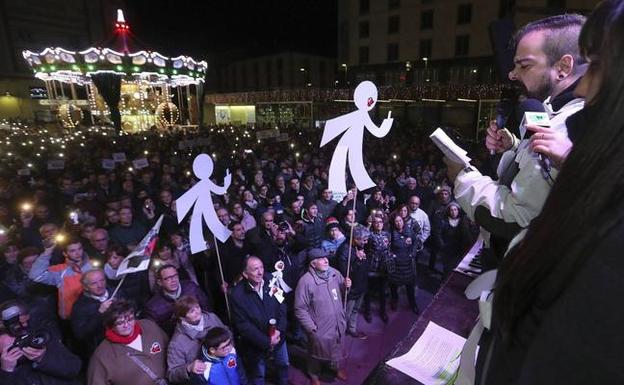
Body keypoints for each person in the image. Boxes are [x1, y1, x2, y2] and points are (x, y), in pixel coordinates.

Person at [476, 3, 624, 384]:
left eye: (600, 67)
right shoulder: (551, 118)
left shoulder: (577, 126)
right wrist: (512, 147)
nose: (586, 85)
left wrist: (463, 179)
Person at [445, 14, 587, 266]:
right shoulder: (553, 112)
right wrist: (512, 146)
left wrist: (461, 177)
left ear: (563, 68)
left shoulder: (566, 130)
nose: (512, 74)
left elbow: (515, 218)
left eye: (524, 65)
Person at [294, 248, 352, 385]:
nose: (326, 260)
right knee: (315, 353)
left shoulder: (334, 273)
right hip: (319, 328)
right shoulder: (306, 282)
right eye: (321, 259)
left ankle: (335, 369)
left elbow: (342, 293)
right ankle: (314, 375)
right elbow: (299, 308)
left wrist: (346, 286)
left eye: (326, 258)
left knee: (337, 348)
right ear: (313, 264)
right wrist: (311, 328)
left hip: (338, 323)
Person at [229, 256, 289, 385]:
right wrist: (267, 341)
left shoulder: (272, 281)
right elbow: (243, 325)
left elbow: (282, 305)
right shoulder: (237, 295)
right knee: (258, 374)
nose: (260, 272)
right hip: (255, 344)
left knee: (283, 364)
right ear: (245, 274)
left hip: (279, 337)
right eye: (255, 269)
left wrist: (280, 330)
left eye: (261, 267)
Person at [87, 300, 169, 385]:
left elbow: (171, 351)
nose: (126, 325)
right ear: (110, 326)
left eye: (130, 319)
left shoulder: (150, 327)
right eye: (120, 323)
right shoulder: (101, 356)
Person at [0, 301, 82, 385]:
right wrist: (6, 371)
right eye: (10, 347)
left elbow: (74, 367)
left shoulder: (38, 340)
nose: (18, 347)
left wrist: (43, 359)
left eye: (20, 341)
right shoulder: (5, 367)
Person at [29, 237, 93, 320]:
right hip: (72, 318)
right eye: (72, 251)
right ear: (65, 254)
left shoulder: (93, 266)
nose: (78, 253)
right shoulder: (59, 271)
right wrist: (48, 252)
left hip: (94, 313)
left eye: (79, 249)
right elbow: (35, 275)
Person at [167, 296, 226, 385]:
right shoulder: (177, 343)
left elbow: (227, 333)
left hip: (227, 367)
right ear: (182, 318)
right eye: (191, 311)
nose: (197, 312)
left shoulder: (212, 318)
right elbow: (171, 374)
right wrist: (188, 368)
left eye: (197, 307)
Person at [144, 264, 211, 335]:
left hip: (205, 329)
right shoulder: (153, 306)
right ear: (160, 282)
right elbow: (156, 332)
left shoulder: (192, 287)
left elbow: (207, 309)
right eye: (168, 278)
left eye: (175, 276)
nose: (173, 280)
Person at [71, 269, 116, 357]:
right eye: (94, 283)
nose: (100, 285)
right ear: (86, 287)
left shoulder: (116, 292)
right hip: (101, 348)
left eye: (102, 280)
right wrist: (99, 313)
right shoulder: (80, 306)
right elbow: (80, 334)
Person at [336, 226, 369, 339]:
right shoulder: (345, 250)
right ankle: (340, 334)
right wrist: (358, 260)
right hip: (351, 287)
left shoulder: (358, 247)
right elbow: (344, 272)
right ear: (355, 239)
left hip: (360, 285)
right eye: (364, 240)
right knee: (347, 313)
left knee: (356, 310)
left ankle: (352, 329)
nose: (366, 242)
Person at [388, 213, 420, 314]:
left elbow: (416, 242)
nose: (399, 223)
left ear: (403, 221)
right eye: (396, 221)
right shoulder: (391, 233)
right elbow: (387, 246)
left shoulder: (409, 231)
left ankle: (413, 303)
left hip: (407, 262)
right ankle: (394, 301)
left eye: (400, 221)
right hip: (396, 264)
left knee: (410, 286)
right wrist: (391, 255)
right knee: (393, 285)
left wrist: (413, 253)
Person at [363, 215, 391, 323]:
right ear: (373, 224)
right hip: (372, 267)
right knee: (368, 291)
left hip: (383, 267)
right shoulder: (369, 235)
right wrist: (368, 225)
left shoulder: (387, 234)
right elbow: (363, 237)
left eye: (380, 222)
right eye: (376, 222)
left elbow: (389, 247)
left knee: (383, 291)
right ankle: (368, 311)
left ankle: (383, 311)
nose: (378, 224)